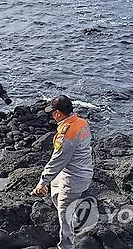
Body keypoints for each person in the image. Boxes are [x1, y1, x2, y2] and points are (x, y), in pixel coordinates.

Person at [31, 95, 93, 249]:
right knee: (55, 191)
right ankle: (72, 213)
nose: (52, 116)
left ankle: (66, 245)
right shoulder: (81, 122)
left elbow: (57, 161)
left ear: (58, 113)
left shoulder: (67, 134)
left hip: (73, 179)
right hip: (81, 170)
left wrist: (41, 182)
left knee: (64, 218)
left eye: (52, 113)